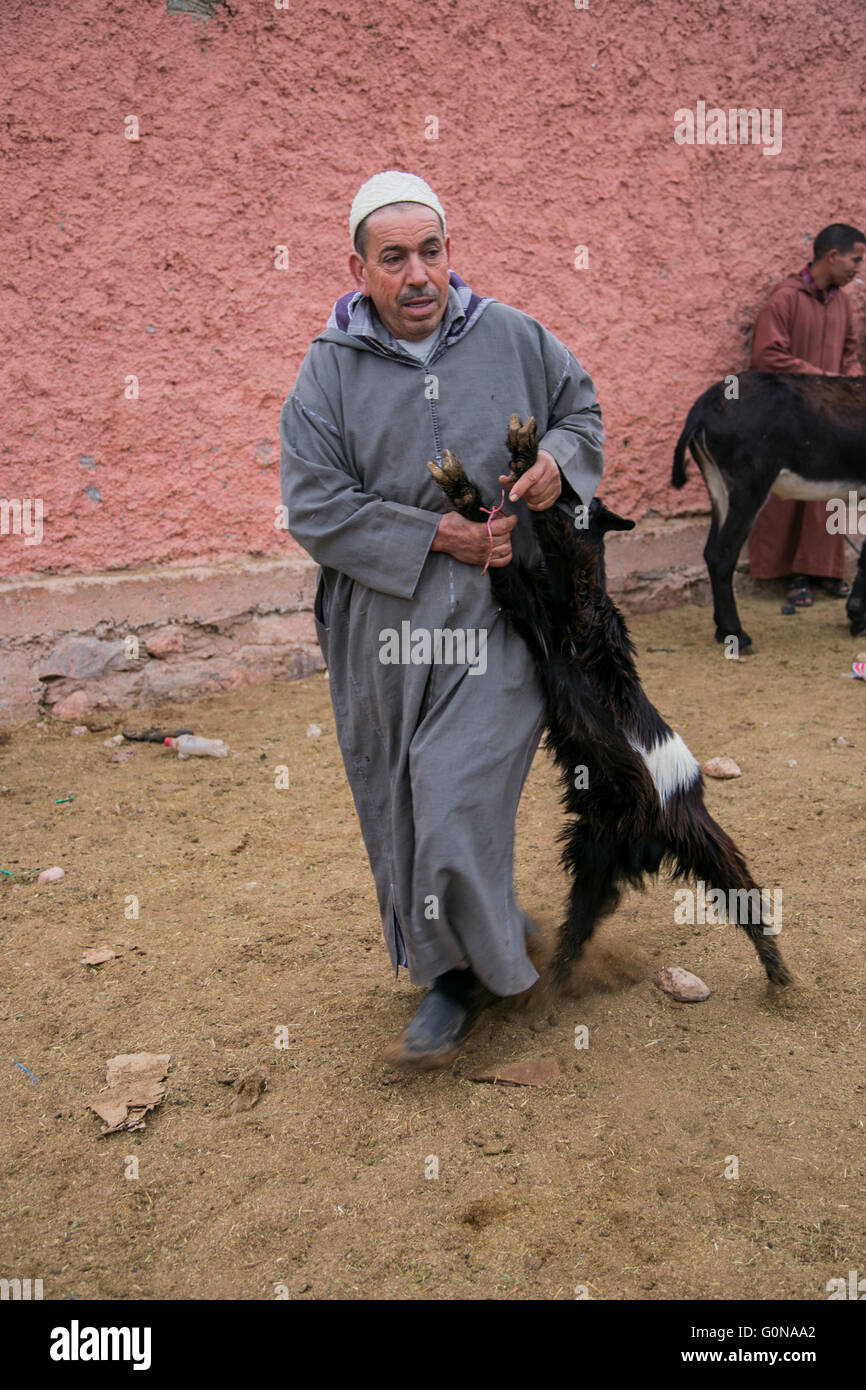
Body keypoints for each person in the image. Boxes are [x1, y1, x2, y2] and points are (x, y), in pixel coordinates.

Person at [279, 171, 605, 1069]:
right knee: (399, 798)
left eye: (432, 250)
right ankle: (477, 938)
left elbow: (580, 414)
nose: (418, 274)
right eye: (394, 258)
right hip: (382, 623)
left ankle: (462, 986)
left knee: (452, 785)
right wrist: (432, 535)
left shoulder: (511, 335)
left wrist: (558, 465)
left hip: (504, 613)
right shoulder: (328, 369)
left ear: (450, 252)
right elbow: (313, 505)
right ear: (360, 268)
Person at [748, 222, 865, 606]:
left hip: (831, 417)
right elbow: (767, 355)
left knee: (830, 494)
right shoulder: (784, 299)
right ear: (832, 256)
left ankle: (824, 571)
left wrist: (848, 387)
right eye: (855, 259)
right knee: (789, 495)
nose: (857, 269)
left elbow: (850, 354)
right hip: (789, 416)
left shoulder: (843, 303)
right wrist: (822, 380)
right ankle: (791, 576)